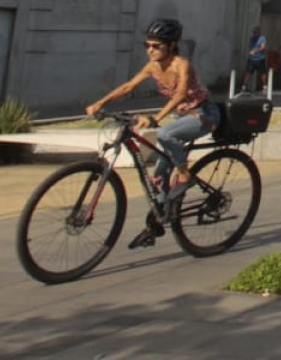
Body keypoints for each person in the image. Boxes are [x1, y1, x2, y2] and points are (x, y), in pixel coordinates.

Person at [87, 18, 221, 247]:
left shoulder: (181, 64)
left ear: (171, 45)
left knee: (165, 134)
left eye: (156, 46)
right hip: (181, 118)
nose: (150, 50)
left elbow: (181, 94)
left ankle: (185, 174)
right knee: (159, 176)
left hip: (203, 115)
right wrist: (100, 103)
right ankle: (160, 220)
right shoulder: (153, 67)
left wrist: (156, 118)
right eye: (147, 45)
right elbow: (128, 86)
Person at [245, 27, 267, 92]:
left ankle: (264, 86)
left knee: (262, 73)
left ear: (259, 32)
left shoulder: (262, 38)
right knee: (248, 72)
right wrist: (252, 52)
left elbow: (263, 47)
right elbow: (251, 47)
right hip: (252, 59)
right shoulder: (252, 38)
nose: (254, 33)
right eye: (253, 32)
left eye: (255, 32)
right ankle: (244, 86)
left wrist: (256, 51)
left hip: (260, 58)